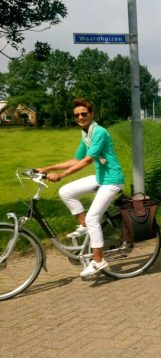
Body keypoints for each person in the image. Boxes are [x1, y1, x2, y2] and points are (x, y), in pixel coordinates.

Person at [37, 98, 125, 277]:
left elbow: (88, 160)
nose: (80, 117)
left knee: (93, 218)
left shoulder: (99, 132)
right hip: (101, 178)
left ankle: (98, 260)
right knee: (66, 191)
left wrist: (62, 175)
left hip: (112, 179)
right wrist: (48, 168)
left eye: (84, 114)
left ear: (92, 114)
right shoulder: (86, 134)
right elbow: (76, 159)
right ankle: (84, 226)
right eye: (77, 115)